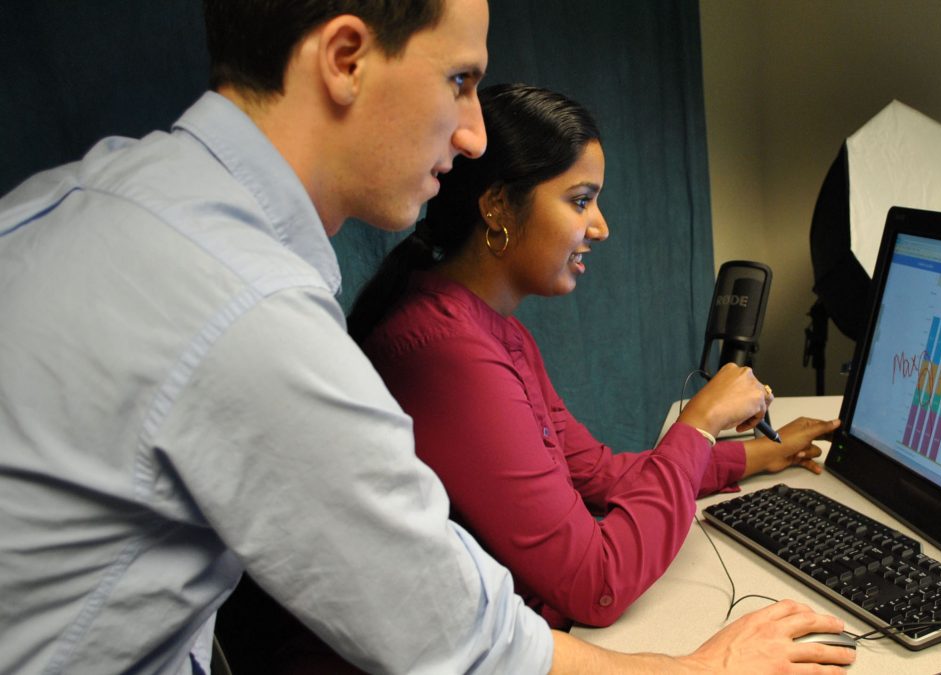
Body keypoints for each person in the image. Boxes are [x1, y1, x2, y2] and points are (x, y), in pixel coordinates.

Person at [0, 1, 854, 674]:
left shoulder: (104, 189)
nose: (473, 132)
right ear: (346, 58)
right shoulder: (253, 311)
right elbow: (471, 640)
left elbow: (592, 473)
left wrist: (745, 455)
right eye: (459, 80)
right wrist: (706, 667)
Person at [348, 82, 844, 630]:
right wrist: (700, 422)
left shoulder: (499, 334)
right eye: (581, 201)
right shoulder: (447, 352)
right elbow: (597, 584)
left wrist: (760, 454)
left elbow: (599, 474)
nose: (601, 227)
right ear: (497, 205)